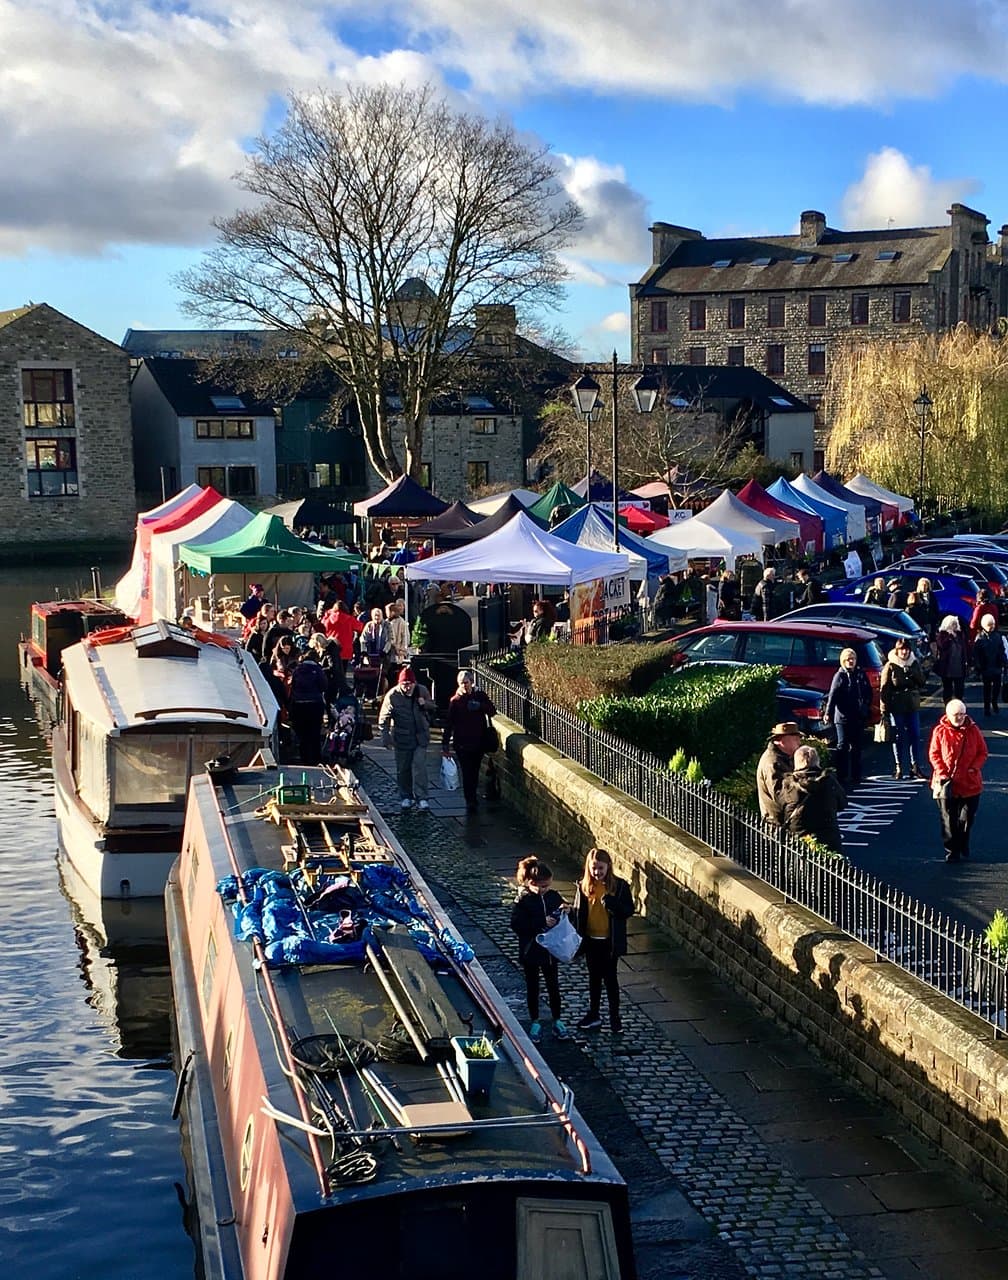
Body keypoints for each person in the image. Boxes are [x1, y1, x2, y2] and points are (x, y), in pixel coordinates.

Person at [571, 847, 634, 1035]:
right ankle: (594, 1014)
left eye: (600, 868)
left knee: (611, 980)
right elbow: (578, 913)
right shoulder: (584, 886)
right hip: (591, 941)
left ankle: (615, 1018)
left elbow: (628, 910)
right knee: (594, 979)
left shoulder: (620, 887)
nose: (597, 872)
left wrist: (613, 905)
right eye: (594, 868)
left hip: (609, 942)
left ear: (608, 867)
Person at [509, 857, 570, 1044]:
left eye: (548, 886)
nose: (545, 889)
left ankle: (557, 1020)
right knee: (533, 987)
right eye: (542, 886)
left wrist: (566, 912)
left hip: (550, 951)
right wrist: (541, 923)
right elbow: (517, 925)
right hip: (531, 952)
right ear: (531, 883)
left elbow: (561, 909)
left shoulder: (553, 896)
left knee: (554, 987)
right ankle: (535, 1021)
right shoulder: (524, 901)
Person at [928, 699, 988, 863]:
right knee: (948, 819)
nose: (960, 717)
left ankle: (962, 842)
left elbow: (982, 752)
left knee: (967, 818)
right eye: (956, 715)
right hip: (947, 783)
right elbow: (934, 754)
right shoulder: (940, 731)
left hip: (970, 783)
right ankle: (952, 850)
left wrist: (973, 768)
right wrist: (942, 772)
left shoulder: (973, 730)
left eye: (962, 714)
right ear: (948, 715)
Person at [378, 666, 435, 811]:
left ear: (414, 683)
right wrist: (385, 738)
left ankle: (422, 797)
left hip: (420, 736)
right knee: (403, 769)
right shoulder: (392, 695)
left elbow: (433, 705)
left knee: (419, 767)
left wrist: (425, 704)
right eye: (404, 684)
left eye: (410, 684)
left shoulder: (421, 690)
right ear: (399, 683)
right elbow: (383, 718)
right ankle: (406, 796)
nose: (407, 687)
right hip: (402, 737)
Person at [442, 670, 497, 813]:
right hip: (462, 744)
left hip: (478, 742)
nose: (464, 686)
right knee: (467, 772)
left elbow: (492, 711)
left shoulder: (479, 696)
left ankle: (472, 797)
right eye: (461, 683)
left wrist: (480, 706)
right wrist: (445, 744)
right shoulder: (455, 701)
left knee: (475, 770)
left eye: (466, 683)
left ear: (471, 682)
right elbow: (449, 723)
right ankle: (470, 800)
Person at [781, 744, 847, 853]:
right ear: (817, 761)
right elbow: (843, 803)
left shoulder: (789, 784)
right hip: (828, 836)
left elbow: (781, 808)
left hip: (799, 837)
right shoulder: (829, 781)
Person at [879, 638, 927, 780]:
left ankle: (915, 766)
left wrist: (912, 672)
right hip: (897, 706)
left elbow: (922, 681)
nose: (904, 652)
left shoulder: (914, 663)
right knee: (898, 737)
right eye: (902, 649)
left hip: (912, 705)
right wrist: (884, 710)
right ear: (897, 650)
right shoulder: (891, 666)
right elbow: (884, 689)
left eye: (906, 649)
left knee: (915, 735)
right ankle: (899, 766)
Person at [825, 648, 872, 787]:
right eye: (848, 659)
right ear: (843, 661)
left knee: (857, 746)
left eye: (853, 659)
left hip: (857, 716)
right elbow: (832, 695)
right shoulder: (839, 676)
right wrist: (828, 712)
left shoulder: (860, 674)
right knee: (842, 745)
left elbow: (868, 691)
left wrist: (866, 705)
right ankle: (842, 775)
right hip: (843, 717)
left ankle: (856, 775)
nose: (851, 662)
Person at [756, 721, 802, 824]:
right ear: (782, 740)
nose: (799, 742)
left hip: (785, 820)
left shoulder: (785, 758)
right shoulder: (773, 763)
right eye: (795, 738)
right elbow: (781, 796)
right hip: (778, 823)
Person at [288, 651, 329, 764]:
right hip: (315, 704)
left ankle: (304, 758)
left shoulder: (297, 670)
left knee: (302, 734)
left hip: (299, 704)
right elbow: (324, 686)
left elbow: (293, 687)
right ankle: (316, 758)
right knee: (315, 732)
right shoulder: (318, 670)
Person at [972, 613, 1007, 716]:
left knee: (996, 688)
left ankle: (994, 702)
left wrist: (1004, 662)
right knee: (986, 689)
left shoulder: (998, 636)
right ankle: (987, 707)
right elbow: (976, 654)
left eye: (993, 624)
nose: (991, 627)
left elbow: (1002, 650)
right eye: (989, 625)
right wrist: (978, 667)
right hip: (986, 667)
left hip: (996, 666)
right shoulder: (980, 638)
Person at [935, 615, 966, 702]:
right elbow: (942, 646)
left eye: (955, 624)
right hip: (947, 668)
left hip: (959, 667)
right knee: (947, 689)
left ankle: (959, 704)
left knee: (959, 689)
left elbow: (965, 648)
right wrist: (949, 636)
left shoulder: (960, 635)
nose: (954, 626)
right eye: (952, 624)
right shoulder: (942, 635)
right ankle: (948, 705)